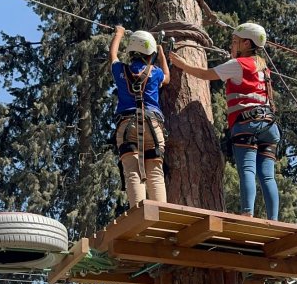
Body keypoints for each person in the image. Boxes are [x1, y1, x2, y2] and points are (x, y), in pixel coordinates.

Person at [170, 22, 280, 219]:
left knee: (247, 169)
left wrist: (182, 65)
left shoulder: (238, 65)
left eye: (235, 42)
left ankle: (247, 214)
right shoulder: (263, 68)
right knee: (267, 176)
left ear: (246, 43)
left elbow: (206, 74)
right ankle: (274, 220)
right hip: (270, 126)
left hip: (248, 124)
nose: (232, 45)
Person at [110, 25, 170, 206]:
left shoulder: (120, 70)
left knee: (132, 170)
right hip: (153, 126)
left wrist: (118, 34)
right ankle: (161, 214)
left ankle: (139, 214)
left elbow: (113, 56)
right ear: (150, 54)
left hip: (127, 126)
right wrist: (161, 54)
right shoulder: (155, 73)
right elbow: (167, 77)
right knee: (155, 172)